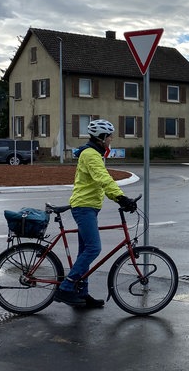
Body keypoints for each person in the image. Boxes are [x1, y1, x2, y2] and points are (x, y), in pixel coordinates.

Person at [53, 119, 136, 307]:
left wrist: (117, 197)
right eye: (109, 136)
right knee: (93, 248)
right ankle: (66, 288)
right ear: (101, 137)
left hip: (88, 207)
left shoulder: (93, 153)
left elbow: (101, 180)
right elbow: (103, 178)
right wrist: (121, 198)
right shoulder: (91, 155)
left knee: (85, 250)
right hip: (84, 208)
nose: (111, 139)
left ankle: (82, 294)